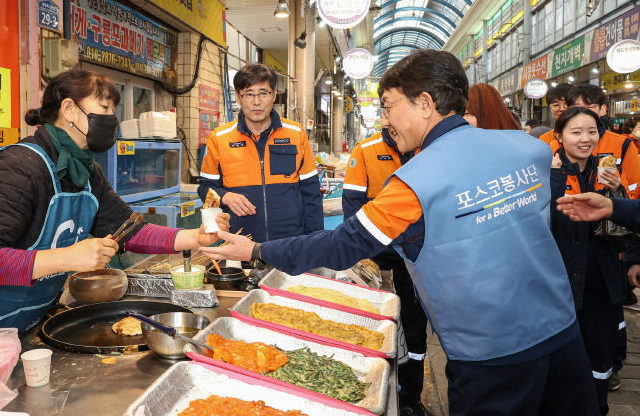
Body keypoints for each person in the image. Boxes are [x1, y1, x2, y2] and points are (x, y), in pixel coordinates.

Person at [201, 50, 598, 415]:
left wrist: (255, 249)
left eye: (389, 106)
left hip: (491, 357)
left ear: (424, 104)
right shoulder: (529, 150)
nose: (386, 120)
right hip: (564, 334)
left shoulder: (415, 183)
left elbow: (343, 245)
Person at [0, 70, 229, 331]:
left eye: (113, 110)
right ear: (70, 109)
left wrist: (195, 237)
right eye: (103, 108)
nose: (111, 119)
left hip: (29, 321)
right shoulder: (17, 166)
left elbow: (130, 229)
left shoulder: (87, 171)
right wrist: (68, 258)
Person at [342, 122, 428, 416]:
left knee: (415, 329)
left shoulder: (425, 147)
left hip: (418, 257)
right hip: (378, 259)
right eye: (387, 106)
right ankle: (367, 393)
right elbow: (352, 210)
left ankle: (411, 399)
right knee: (371, 326)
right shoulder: (365, 151)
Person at [549, 107, 627, 414]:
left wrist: (615, 195)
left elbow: (621, 232)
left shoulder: (606, 170)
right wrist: (555, 178)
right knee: (562, 363)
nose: (585, 139)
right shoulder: (545, 171)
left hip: (600, 283)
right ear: (559, 135)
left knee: (598, 359)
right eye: (576, 132)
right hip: (560, 284)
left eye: (592, 132)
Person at [198, 63, 323, 242]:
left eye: (263, 93)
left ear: (274, 96)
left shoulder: (295, 133)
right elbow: (205, 189)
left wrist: (315, 242)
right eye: (249, 94)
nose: (256, 102)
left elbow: (311, 193)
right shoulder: (219, 138)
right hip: (239, 242)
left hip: (290, 243)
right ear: (238, 97)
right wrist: (226, 196)